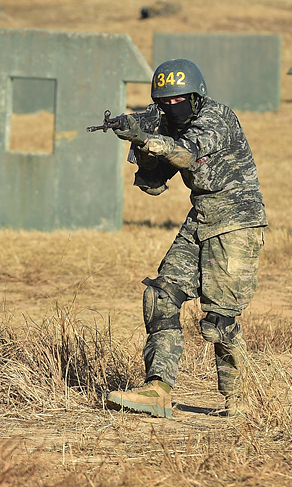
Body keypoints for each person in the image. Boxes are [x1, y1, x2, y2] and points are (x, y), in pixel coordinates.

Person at [105, 59, 267, 418]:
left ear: (197, 97)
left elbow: (189, 155)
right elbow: (154, 186)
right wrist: (140, 146)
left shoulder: (216, 118)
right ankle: (158, 389)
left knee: (219, 321)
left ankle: (241, 400)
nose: (172, 107)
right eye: (164, 102)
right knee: (160, 296)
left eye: (180, 100)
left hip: (237, 219)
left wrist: (149, 139)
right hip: (202, 216)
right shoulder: (162, 122)